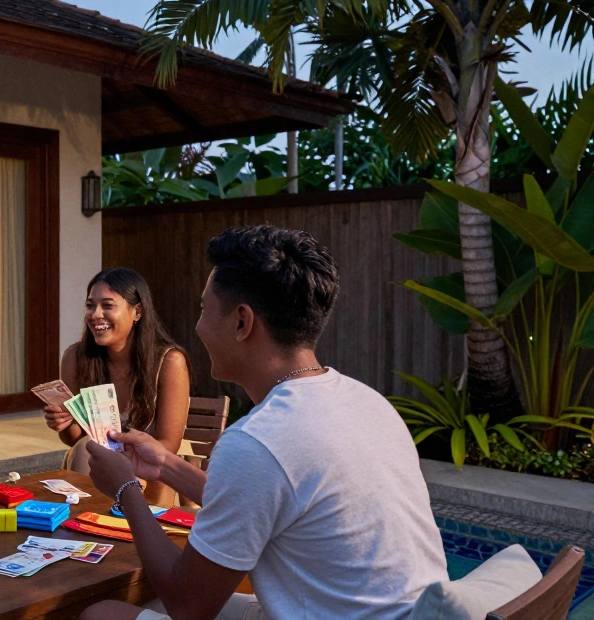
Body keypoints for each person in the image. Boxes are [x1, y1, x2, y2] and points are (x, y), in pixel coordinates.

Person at [83, 226, 447, 620]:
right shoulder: (366, 401)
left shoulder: (258, 441)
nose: (198, 326)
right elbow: (271, 497)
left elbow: (187, 606)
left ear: (242, 322)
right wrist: (166, 465)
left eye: (204, 310)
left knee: (101, 614)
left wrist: (126, 491)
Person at [44, 268, 191, 503]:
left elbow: (167, 446)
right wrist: (65, 421)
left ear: (137, 311)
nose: (95, 314)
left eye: (107, 306)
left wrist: (119, 458)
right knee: (86, 448)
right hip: (95, 465)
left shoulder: (169, 363)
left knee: (89, 450)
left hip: (152, 470)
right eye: (90, 305)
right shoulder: (75, 357)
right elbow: (74, 439)